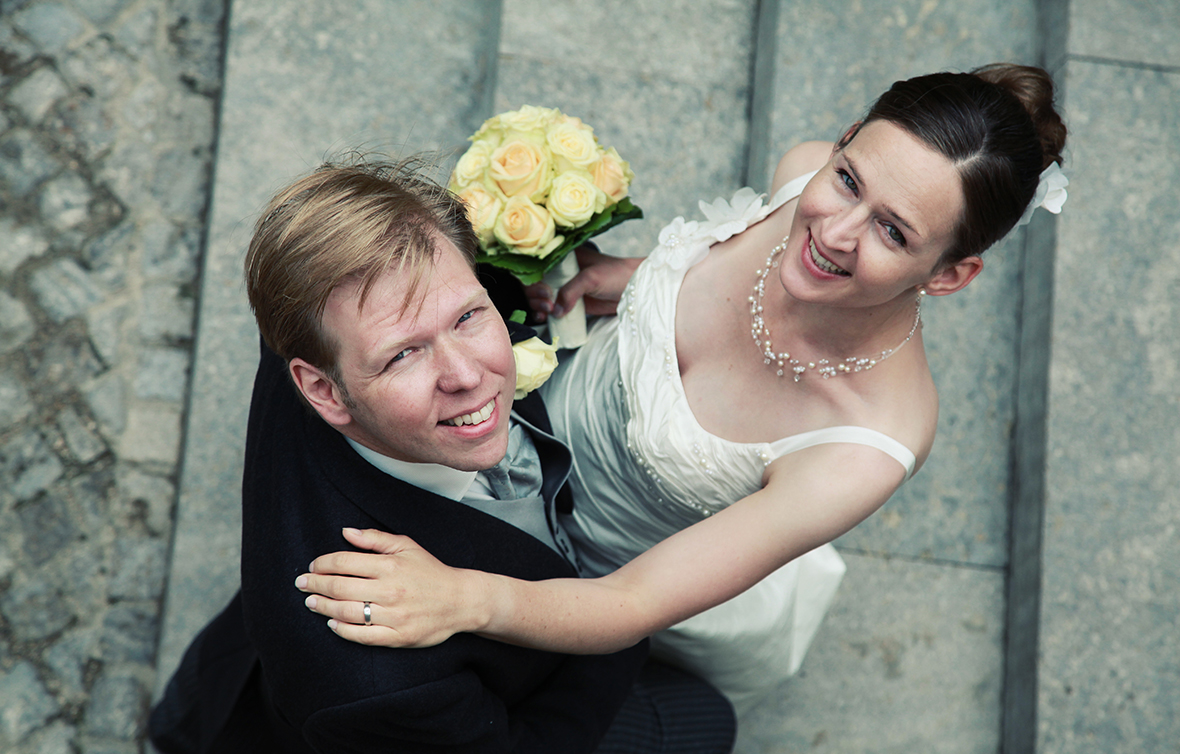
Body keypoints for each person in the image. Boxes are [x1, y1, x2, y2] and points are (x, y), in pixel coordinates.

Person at [294, 65, 1069, 713]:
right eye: (847, 179)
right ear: (836, 148)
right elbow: (723, 264)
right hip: (534, 408)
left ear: (952, 274)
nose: (833, 231)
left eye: (893, 231)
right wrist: (629, 279)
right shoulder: (799, 181)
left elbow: (629, 603)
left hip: (584, 563)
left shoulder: (867, 441)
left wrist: (464, 599)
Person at [147, 158, 736, 754]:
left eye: (468, 316)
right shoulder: (373, 682)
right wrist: (612, 628)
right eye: (403, 355)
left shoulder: (318, 303)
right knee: (708, 725)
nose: (466, 374)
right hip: (477, 731)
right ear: (323, 390)